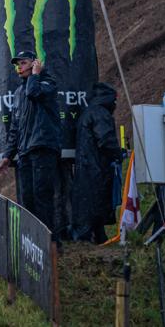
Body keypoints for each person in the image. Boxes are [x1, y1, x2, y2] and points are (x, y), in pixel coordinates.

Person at [0, 50, 62, 234]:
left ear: (35, 64)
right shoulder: (19, 92)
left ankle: (50, 241)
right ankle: (32, 242)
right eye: (17, 64)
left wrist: (36, 74)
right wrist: (7, 155)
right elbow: (15, 126)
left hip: (43, 147)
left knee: (43, 196)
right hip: (24, 151)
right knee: (27, 199)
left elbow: (34, 93)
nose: (19, 67)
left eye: (23, 63)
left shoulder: (47, 83)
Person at [70, 82, 120, 243]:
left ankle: (96, 235)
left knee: (87, 202)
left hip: (85, 166)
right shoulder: (101, 113)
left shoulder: (89, 112)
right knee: (95, 202)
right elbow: (105, 140)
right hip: (96, 166)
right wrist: (118, 154)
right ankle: (87, 238)